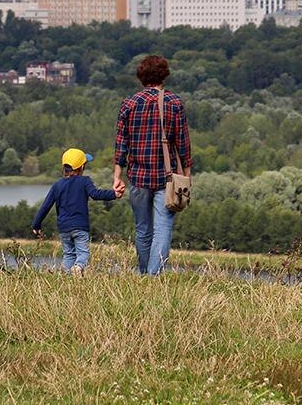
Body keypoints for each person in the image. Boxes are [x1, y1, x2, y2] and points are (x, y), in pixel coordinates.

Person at [112, 55, 192, 276]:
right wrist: (187, 174)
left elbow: (121, 144)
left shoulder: (129, 104)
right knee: (163, 228)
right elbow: (183, 144)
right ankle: (152, 277)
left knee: (142, 229)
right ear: (164, 75)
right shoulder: (174, 103)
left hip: (138, 176)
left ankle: (144, 273)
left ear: (141, 77)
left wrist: (117, 176)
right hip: (167, 177)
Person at [31, 148, 119, 272]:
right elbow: (95, 194)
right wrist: (114, 194)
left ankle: (66, 278)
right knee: (83, 255)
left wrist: (36, 224)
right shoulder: (85, 181)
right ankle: (78, 268)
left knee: (69, 255)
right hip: (80, 226)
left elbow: (46, 206)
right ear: (81, 167)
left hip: (64, 228)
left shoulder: (57, 185)